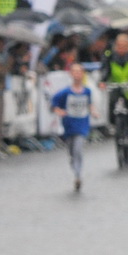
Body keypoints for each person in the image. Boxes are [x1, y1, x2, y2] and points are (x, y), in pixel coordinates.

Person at [49, 59, 93, 193]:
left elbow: (89, 105)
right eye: (74, 72)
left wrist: (94, 111)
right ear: (70, 74)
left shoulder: (87, 91)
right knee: (71, 151)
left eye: (79, 72)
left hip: (82, 125)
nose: (77, 74)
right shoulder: (65, 92)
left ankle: (78, 175)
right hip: (69, 126)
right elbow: (53, 105)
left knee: (78, 149)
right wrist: (59, 111)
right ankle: (75, 167)